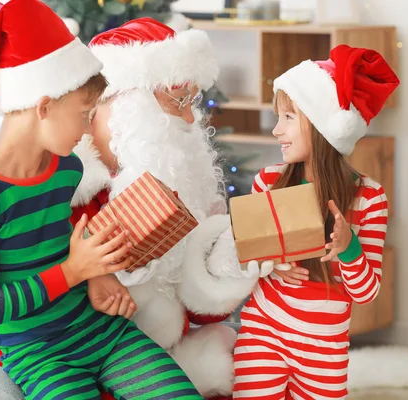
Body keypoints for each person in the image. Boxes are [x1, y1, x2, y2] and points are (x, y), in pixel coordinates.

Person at [0, 2, 202, 399]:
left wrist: (95, 273)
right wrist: (73, 272)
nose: (91, 127)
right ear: (44, 106)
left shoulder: (67, 169)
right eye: (86, 114)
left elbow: (64, 237)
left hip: (103, 332)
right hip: (38, 356)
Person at [71, 17, 268, 398]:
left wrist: (224, 265)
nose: (191, 119)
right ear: (127, 104)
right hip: (90, 359)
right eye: (178, 102)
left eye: (191, 102)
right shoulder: (71, 191)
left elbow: (200, 314)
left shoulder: (181, 185)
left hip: (159, 356)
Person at [232, 45, 400, 399]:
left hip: (324, 348)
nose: (276, 130)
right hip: (265, 328)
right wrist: (269, 265)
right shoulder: (267, 181)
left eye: (289, 118)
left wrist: (348, 247)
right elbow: (243, 259)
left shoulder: (369, 199)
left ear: (324, 126)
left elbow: (366, 293)